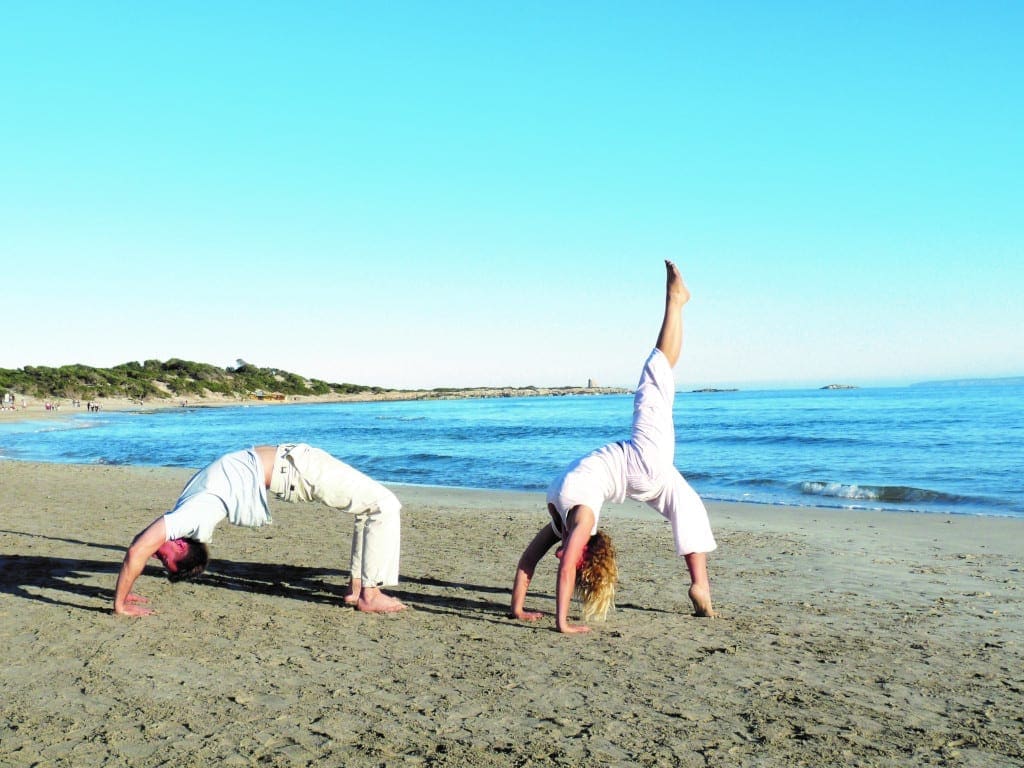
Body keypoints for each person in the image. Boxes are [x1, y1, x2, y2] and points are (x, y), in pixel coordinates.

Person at [510, 260, 717, 633]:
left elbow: (527, 561)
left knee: (686, 504)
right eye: (573, 554)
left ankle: (700, 584)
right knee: (654, 379)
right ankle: (674, 301)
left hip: (641, 476)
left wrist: (518, 609)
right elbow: (565, 564)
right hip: (640, 462)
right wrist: (562, 624)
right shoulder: (582, 519)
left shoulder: (561, 522)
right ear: (584, 548)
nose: (565, 554)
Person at [113, 443, 406, 616]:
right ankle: (370, 594)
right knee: (385, 504)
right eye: (164, 558)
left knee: (369, 508)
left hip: (291, 467)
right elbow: (138, 548)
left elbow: (139, 546)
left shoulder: (187, 513)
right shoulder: (190, 517)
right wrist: (119, 604)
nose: (155, 554)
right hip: (296, 468)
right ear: (179, 546)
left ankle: (357, 590)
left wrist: (125, 595)